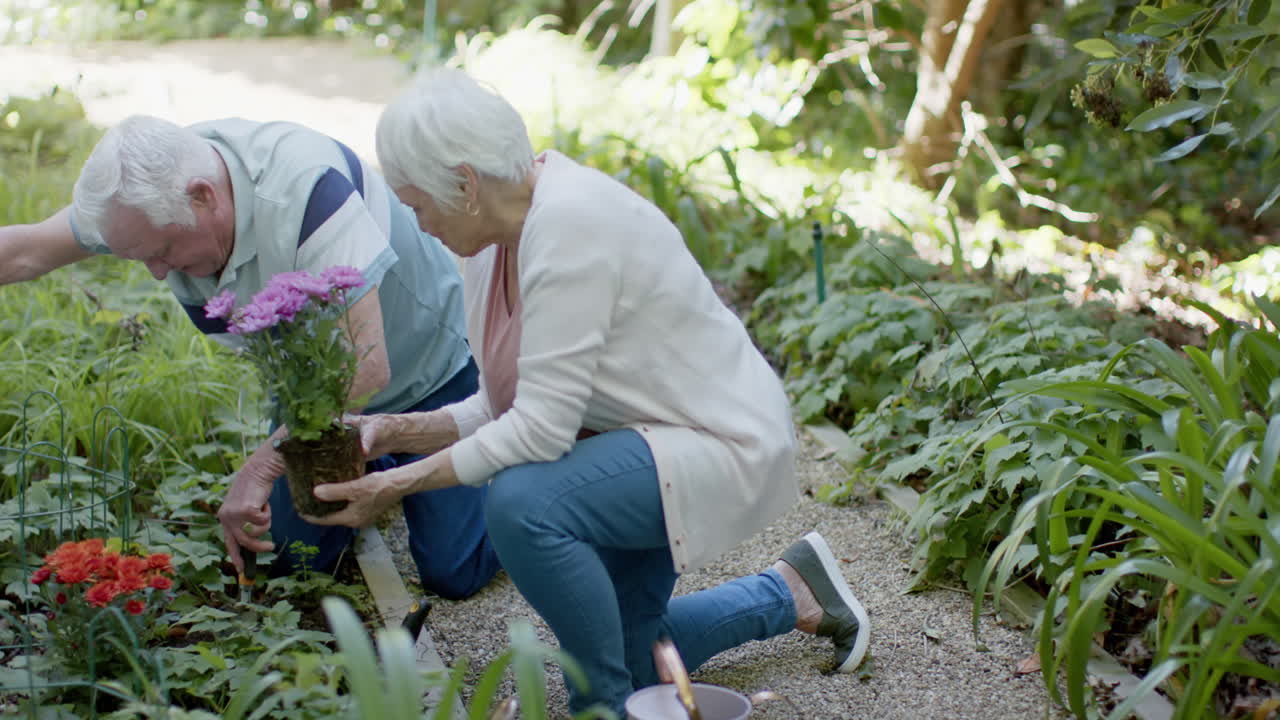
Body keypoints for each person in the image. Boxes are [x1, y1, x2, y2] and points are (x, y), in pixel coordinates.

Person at [304, 67, 871, 714]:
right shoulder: (493, 240)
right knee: (635, 657)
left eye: (415, 203)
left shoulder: (571, 224)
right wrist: (394, 432)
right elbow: (502, 407)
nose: (416, 220)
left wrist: (393, 484)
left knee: (523, 503)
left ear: (463, 184)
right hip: (638, 442)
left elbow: (539, 432)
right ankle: (791, 591)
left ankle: (598, 710)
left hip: (716, 440)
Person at [0, 115, 500, 599]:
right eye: (140, 257)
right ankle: (375, 458)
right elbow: (26, 252)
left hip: (426, 377)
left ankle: (512, 443)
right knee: (291, 558)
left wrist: (260, 468)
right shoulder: (136, 197)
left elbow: (365, 371)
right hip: (316, 398)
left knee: (452, 570)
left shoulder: (306, 190)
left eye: (163, 250)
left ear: (203, 196)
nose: (157, 273)